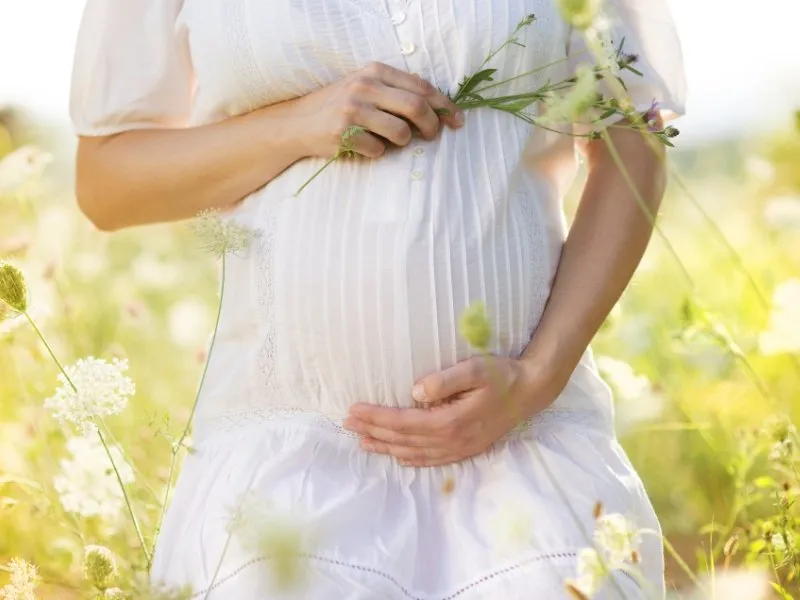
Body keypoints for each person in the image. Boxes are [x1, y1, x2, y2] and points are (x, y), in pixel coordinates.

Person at [70, 0, 685, 597]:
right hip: (289, 462)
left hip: (526, 446)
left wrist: (539, 376)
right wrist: (294, 125)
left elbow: (634, 134)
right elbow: (107, 182)